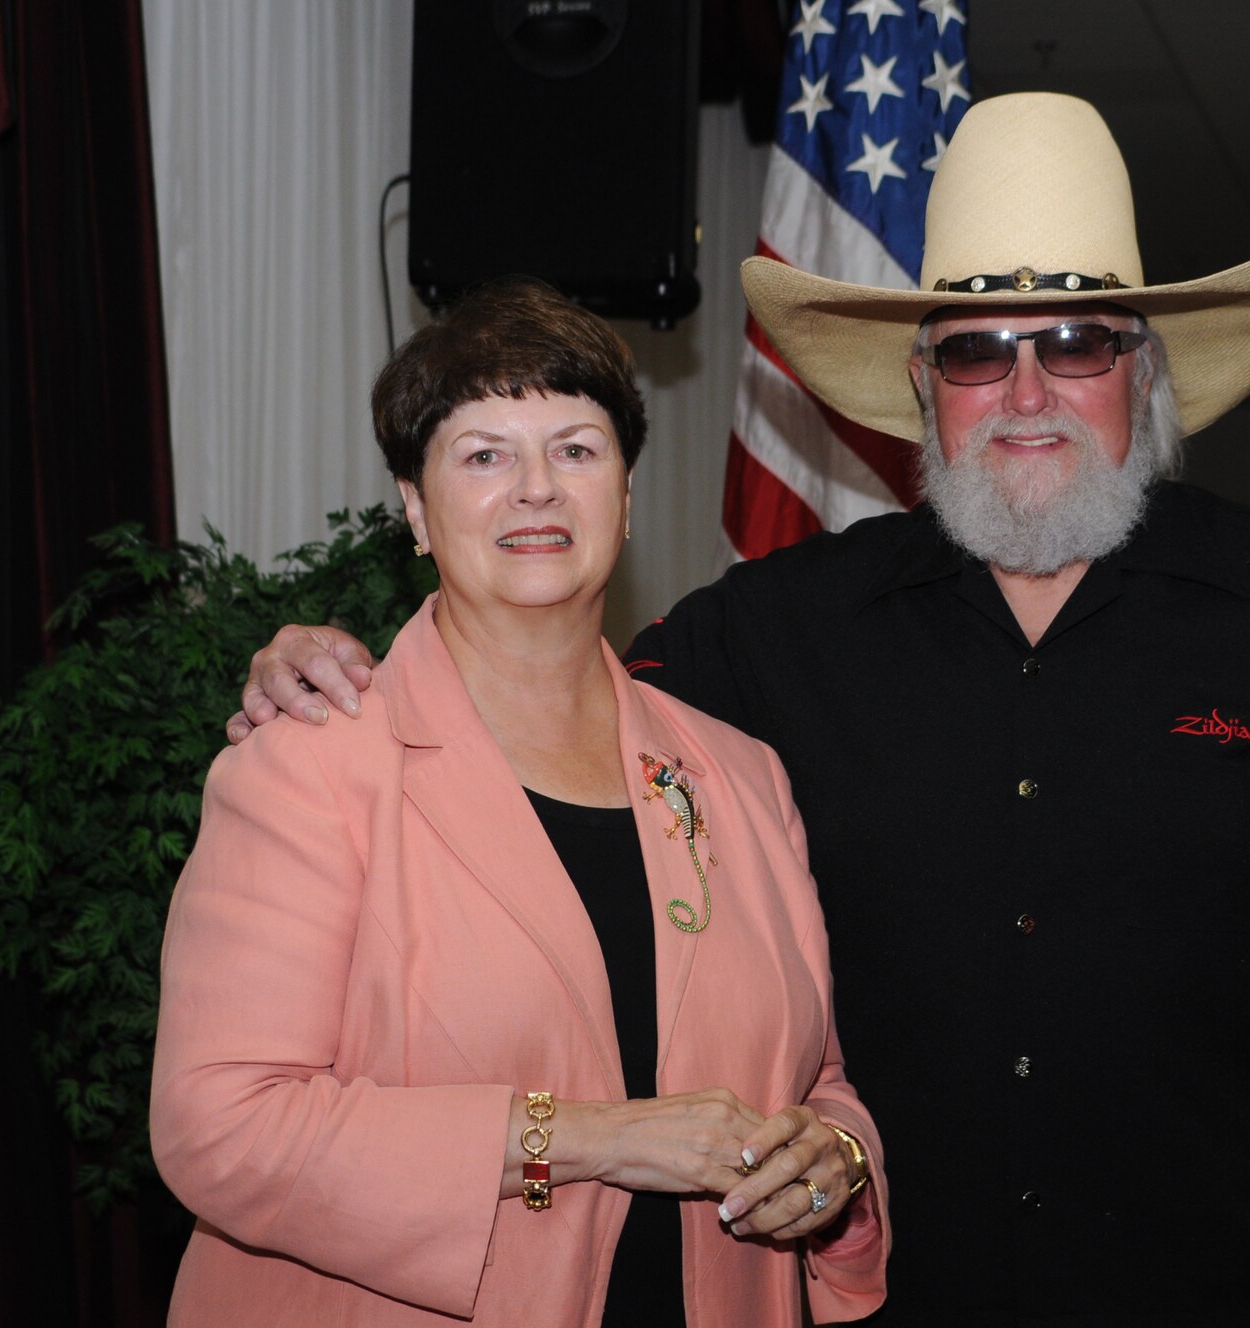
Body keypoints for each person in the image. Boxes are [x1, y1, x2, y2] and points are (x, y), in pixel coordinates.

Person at [231, 96, 1250, 1327]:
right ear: (920, 383)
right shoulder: (775, 627)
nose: (1024, 392)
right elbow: (535, 702)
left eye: (1074, 342)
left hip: (1242, 1290)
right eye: (974, 351)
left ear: (1142, 369)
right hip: (899, 1296)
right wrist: (328, 669)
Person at [150, 277, 888, 1327]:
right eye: (484, 455)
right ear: (415, 508)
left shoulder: (742, 778)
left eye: (575, 450)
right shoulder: (310, 767)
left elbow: (813, 1076)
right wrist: (592, 1137)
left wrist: (835, 1158)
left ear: (624, 497)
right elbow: (220, 1125)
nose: (536, 488)